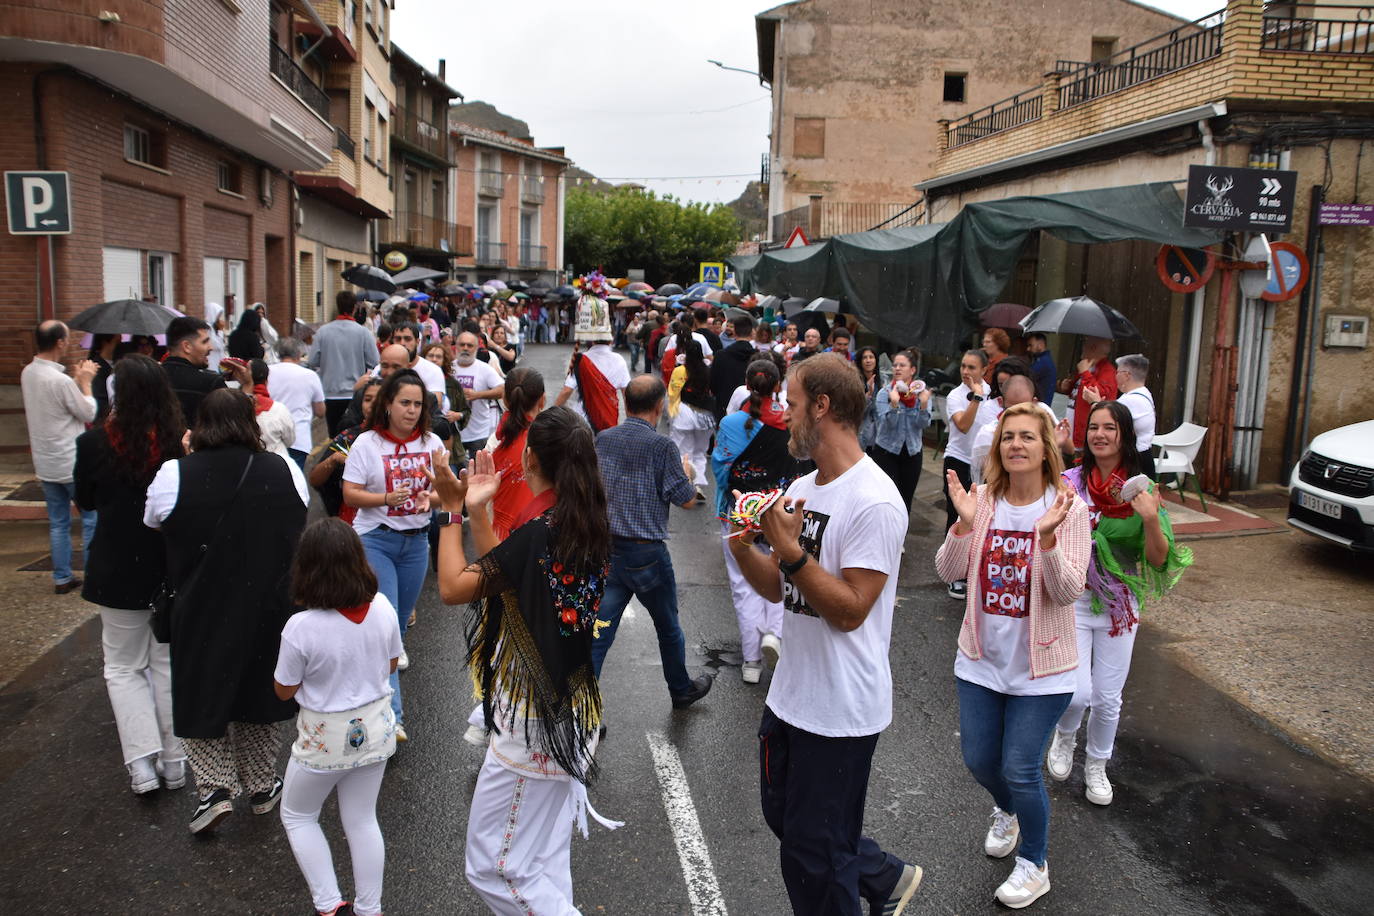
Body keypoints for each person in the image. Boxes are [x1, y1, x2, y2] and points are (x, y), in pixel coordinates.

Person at [726, 353, 921, 916]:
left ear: (822, 406)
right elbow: (778, 589)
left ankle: (873, 881)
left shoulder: (875, 500)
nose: (782, 413)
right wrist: (743, 547)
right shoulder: (803, 486)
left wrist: (789, 551)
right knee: (789, 822)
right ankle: (884, 877)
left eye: (790, 402)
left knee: (813, 858)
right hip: (791, 695)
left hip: (840, 710)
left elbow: (851, 610)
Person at [429, 409, 623, 914]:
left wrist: (450, 512)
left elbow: (453, 587)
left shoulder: (542, 531)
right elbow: (507, 576)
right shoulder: (584, 521)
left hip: (534, 722)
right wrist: (478, 512)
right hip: (567, 711)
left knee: (495, 868)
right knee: (540, 862)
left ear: (529, 458)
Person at [934, 402, 1090, 909]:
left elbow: (1068, 591)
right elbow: (947, 572)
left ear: (1046, 448)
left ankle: (1034, 864)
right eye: (1008, 437)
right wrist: (963, 526)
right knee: (981, 760)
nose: (1016, 444)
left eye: (1027, 436)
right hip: (981, 660)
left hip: (1043, 667)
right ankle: (1008, 810)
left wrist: (1047, 540)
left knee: (1021, 766)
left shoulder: (1069, 509)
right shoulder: (983, 500)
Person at [143, 388, 309, 834]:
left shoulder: (175, 473)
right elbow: (299, 518)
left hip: (201, 602)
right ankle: (261, 784)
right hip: (268, 603)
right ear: (251, 425)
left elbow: (153, 520)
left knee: (201, 688)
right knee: (259, 691)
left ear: (200, 425)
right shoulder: (283, 469)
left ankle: (214, 788)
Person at [1047, 400, 1191, 806]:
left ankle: (1097, 765)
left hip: (1119, 606)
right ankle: (1064, 737)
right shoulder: (1069, 482)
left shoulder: (1142, 490)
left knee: (1108, 698)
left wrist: (1149, 518)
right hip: (1074, 599)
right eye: (1093, 427)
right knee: (1076, 693)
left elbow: (1159, 559)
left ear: (1124, 435)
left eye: (1109, 427)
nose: (1100, 434)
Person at [275, 519, 400, 916]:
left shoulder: (300, 627)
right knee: (362, 819)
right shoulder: (382, 607)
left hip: (323, 738)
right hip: (377, 730)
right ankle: (370, 908)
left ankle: (329, 904)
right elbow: (391, 664)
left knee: (298, 815)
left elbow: (284, 689)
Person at [74, 355, 186, 794]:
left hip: (115, 565)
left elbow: (86, 500)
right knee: (166, 662)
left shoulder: (94, 443)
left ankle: (142, 765)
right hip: (167, 564)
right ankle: (175, 761)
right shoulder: (178, 442)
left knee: (122, 667)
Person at [591, 375, 714, 709]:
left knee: (599, 631)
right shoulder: (663, 447)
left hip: (608, 549)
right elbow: (686, 499)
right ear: (660, 406)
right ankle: (681, 689)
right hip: (647, 554)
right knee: (668, 626)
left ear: (626, 402)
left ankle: (579, 709)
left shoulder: (604, 438)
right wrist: (688, 474)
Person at [342, 369, 444, 742]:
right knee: (385, 629)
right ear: (387, 404)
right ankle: (392, 718)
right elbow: (350, 493)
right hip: (376, 541)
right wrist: (385, 498)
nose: (412, 410)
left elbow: (449, 491)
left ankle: (373, 695)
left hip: (416, 543)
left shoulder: (432, 443)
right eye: (405, 403)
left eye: (418, 404)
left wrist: (430, 498)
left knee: (397, 629)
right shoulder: (366, 443)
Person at [711, 359, 796, 684]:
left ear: (747, 385)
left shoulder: (731, 423)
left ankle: (751, 662)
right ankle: (774, 632)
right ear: (778, 385)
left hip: (738, 512)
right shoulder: (788, 420)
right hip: (777, 511)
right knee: (780, 574)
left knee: (742, 585)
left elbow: (721, 469)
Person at [21, 320, 99, 595]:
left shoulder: (28, 373)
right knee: (90, 518)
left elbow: (58, 403)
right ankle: (93, 577)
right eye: (67, 338)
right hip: (71, 461)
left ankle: (62, 577)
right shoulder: (60, 380)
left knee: (58, 522)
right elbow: (88, 412)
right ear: (60, 342)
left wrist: (75, 383)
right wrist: (85, 384)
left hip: (46, 462)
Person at [942, 349, 1002, 600]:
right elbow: (963, 426)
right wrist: (975, 398)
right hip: (958, 459)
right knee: (957, 515)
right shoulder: (956, 395)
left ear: (985, 370)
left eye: (972, 367)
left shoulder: (994, 395)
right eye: (963, 366)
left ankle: (975, 570)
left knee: (984, 517)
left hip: (986, 464)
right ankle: (954, 574)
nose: (966, 372)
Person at [310, 377, 383, 523]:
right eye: (367, 399)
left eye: (380, 400)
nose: (372, 405)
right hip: (354, 520)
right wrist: (333, 460)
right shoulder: (349, 437)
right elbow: (315, 480)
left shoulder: (404, 437)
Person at [871, 348, 932, 521]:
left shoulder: (921, 393)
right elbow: (887, 424)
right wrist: (894, 405)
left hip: (912, 452)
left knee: (906, 499)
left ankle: (901, 535)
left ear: (912, 370)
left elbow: (923, 425)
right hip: (886, 452)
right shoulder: (885, 393)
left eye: (902, 365)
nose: (897, 368)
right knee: (886, 499)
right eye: (895, 365)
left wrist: (923, 405)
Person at [311, 290, 379, 437]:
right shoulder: (363, 333)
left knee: (335, 438)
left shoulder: (323, 332)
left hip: (330, 393)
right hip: (355, 393)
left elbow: (312, 361)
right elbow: (375, 361)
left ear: (337, 306)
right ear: (354, 308)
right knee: (354, 436)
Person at [555, 303, 631, 434]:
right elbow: (627, 395)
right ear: (611, 340)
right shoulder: (619, 360)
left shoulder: (581, 360)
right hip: (608, 417)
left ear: (592, 340)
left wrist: (550, 415)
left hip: (582, 419)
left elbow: (566, 391)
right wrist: (630, 424)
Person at [970, 375, 1058, 486]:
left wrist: (1055, 440)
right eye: (1008, 438)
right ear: (1001, 402)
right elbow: (990, 478)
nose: (1016, 445)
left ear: (1034, 402)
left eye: (1028, 438)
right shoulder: (988, 433)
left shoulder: (1043, 424)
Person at [490, 367, 545, 540]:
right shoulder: (553, 438)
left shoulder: (497, 440)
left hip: (500, 534)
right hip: (540, 532)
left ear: (505, 399)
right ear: (542, 400)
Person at [163, 316, 240, 426]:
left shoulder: (150, 378)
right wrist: (247, 386)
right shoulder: (211, 383)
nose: (211, 347)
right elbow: (234, 424)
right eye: (205, 342)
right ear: (187, 346)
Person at [667, 336, 716, 501]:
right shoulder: (709, 370)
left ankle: (688, 483)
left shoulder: (680, 371)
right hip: (705, 417)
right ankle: (698, 483)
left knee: (684, 451)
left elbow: (673, 393)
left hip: (684, 415)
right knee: (700, 452)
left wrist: (671, 412)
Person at [269, 338, 326, 470]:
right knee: (294, 477)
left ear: (278, 353)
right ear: (299, 354)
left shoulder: (267, 372)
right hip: (298, 438)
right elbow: (320, 411)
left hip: (271, 436)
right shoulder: (310, 376)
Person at [452, 331, 505, 460]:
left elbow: (503, 390)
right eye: (462, 345)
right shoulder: (448, 368)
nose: (465, 348)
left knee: (478, 469)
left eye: (470, 345)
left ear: (476, 348)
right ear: (456, 346)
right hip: (453, 432)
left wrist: (478, 395)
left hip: (479, 432)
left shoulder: (484, 369)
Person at [1062, 336, 1117, 451]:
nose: (1082, 348)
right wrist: (1068, 386)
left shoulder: (1108, 371)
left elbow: (1097, 395)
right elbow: (1077, 392)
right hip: (1071, 430)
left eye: (1085, 344)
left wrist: (1085, 373)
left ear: (1093, 347)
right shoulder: (1087, 367)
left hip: (1085, 435)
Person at [1111, 354, 1157, 479]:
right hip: (1144, 456)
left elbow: (1104, 419)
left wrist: (1094, 402)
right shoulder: (1144, 393)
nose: (1115, 376)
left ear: (1126, 375)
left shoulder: (1130, 400)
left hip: (1133, 461)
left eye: (1117, 372)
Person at [710, 315, 757, 423]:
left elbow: (713, 384)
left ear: (734, 332)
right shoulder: (758, 357)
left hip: (724, 408)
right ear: (751, 333)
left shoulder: (721, 355)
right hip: (751, 409)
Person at [421, 341, 472, 437]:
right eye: (430, 356)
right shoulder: (416, 379)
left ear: (444, 360)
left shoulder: (453, 384)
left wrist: (458, 415)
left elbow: (466, 411)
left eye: (438, 357)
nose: (434, 359)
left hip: (449, 435)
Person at [251, 358, 297, 459]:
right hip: (279, 461)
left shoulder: (234, 410)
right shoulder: (278, 409)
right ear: (266, 381)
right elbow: (290, 440)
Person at [855, 346, 883, 451]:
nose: (868, 360)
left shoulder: (884, 381)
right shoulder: (854, 382)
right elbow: (857, 411)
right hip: (861, 434)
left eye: (871, 357)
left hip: (880, 435)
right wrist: (868, 395)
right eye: (864, 358)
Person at [1026, 332, 1056, 406]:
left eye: (1031, 345)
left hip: (1039, 405)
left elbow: (1027, 377)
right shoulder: (1043, 360)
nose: (1028, 349)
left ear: (1040, 344)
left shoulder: (1043, 362)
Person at [203, 303, 228, 373]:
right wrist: (220, 332)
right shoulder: (208, 328)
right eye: (218, 315)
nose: (219, 318)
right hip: (211, 362)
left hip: (218, 362)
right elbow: (215, 345)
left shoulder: (215, 328)